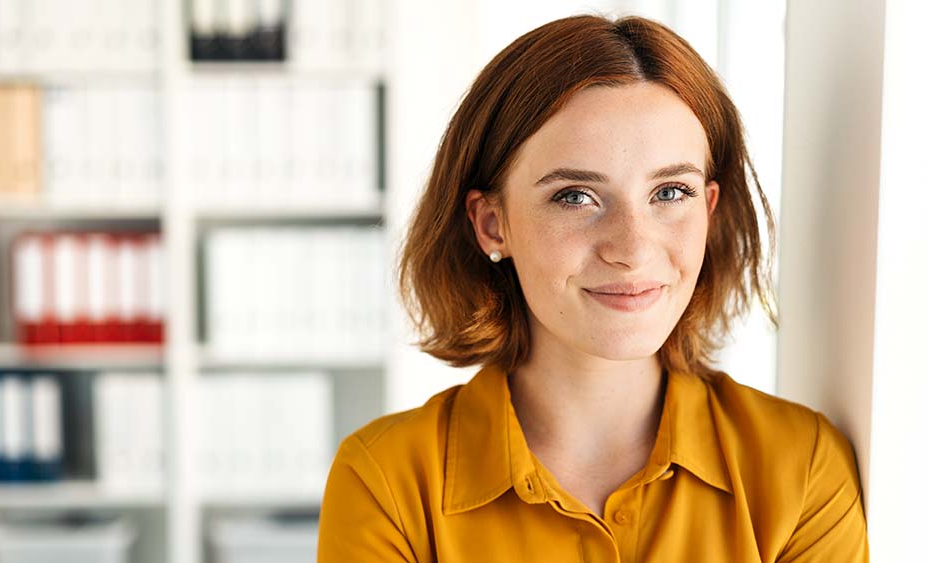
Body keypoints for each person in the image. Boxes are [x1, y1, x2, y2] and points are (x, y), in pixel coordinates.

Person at [317, 13, 870, 562]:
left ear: (709, 211)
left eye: (670, 192)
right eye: (575, 196)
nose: (631, 248)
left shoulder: (802, 467)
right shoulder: (385, 481)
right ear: (492, 224)